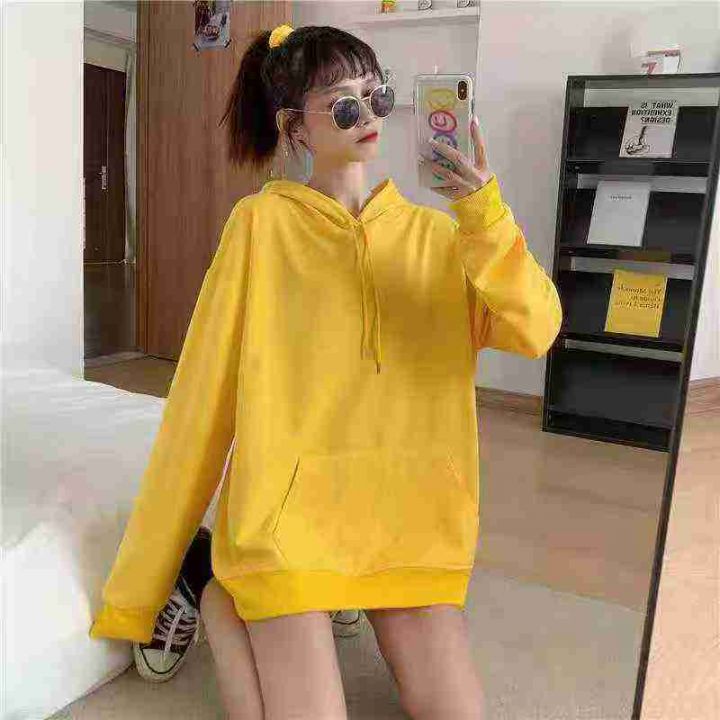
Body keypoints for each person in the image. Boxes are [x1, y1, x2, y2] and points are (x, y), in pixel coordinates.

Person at [89, 22, 562, 720]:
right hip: (286, 533)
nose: (368, 115)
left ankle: (315, 597)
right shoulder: (259, 227)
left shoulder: (445, 236)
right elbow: (200, 405)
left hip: (407, 525)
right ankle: (216, 587)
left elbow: (536, 331)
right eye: (344, 104)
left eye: (377, 95)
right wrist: (138, 588)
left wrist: (486, 216)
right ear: (295, 127)